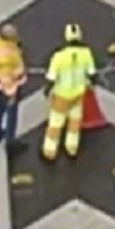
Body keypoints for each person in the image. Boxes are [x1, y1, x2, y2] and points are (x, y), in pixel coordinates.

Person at [41, 21, 97, 161]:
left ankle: (50, 150)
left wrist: (47, 90)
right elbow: (91, 73)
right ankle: (72, 147)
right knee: (74, 121)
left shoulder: (59, 57)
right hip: (78, 93)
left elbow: (52, 77)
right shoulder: (86, 53)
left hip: (61, 95)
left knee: (55, 123)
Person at [0, 22, 25, 145]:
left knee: (0, 108)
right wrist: (18, 76)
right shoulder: (9, 53)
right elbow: (15, 70)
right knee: (11, 114)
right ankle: (10, 141)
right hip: (9, 86)